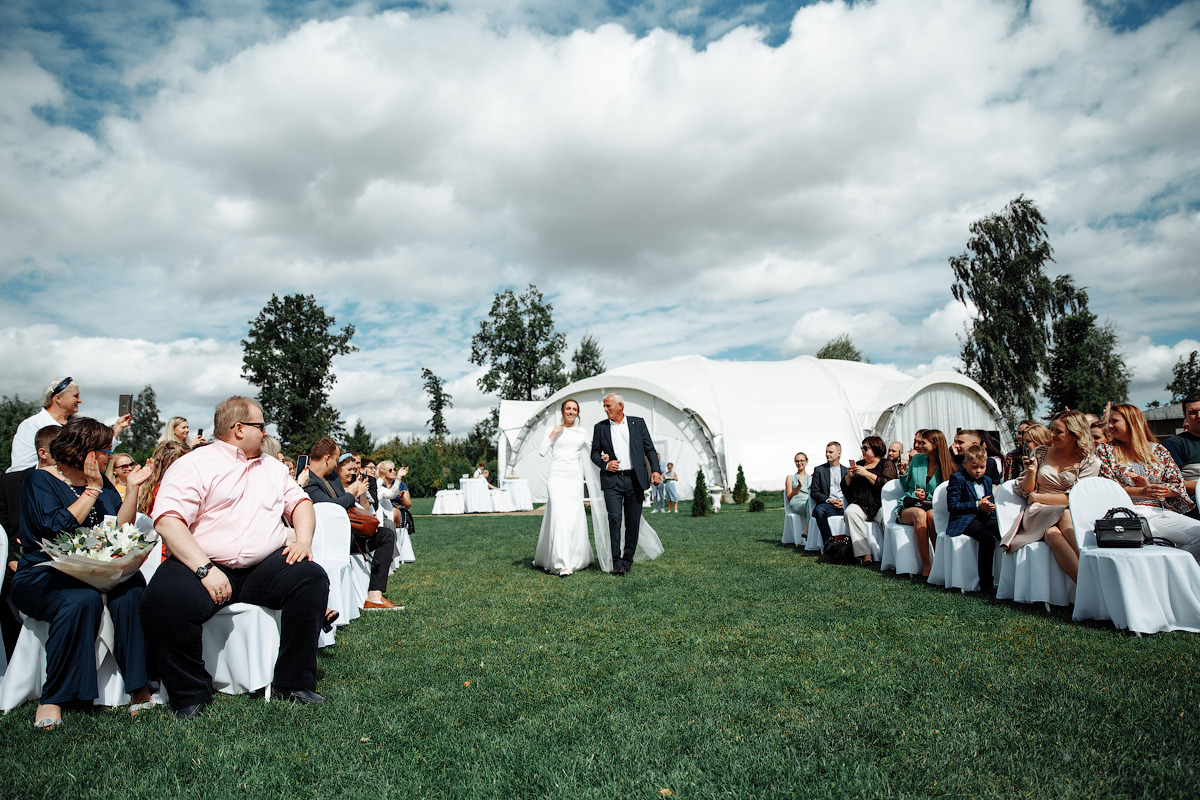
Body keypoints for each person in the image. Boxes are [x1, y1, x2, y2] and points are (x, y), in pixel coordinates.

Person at [140, 396, 330, 719]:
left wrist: (304, 540)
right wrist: (204, 568)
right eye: (261, 426)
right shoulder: (194, 465)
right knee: (162, 598)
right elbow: (168, 520)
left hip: (262, 567)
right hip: (201, 562)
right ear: (238, 429)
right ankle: (189, 694)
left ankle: (292, 682)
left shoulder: (273, 468)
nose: (266, 432)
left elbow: (301, 504)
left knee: (310, 578)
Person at [10, 417, 156, 728]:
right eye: (106, 449)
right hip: (42, 575)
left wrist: (131, 490)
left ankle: (140, 688)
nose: (111, 455)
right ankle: (55, 697)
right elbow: (55, 528)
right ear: (87, 454)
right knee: (81, 600)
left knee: (132, 593)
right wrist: (91, 490)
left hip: (99, 570)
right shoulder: (40, 481)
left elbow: (120, 529)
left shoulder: (103, 485)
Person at [1000, 411, 1099, 583]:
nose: (1052, 435)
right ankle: (1091, 582)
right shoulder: (1040, 452)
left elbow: (1076, 498)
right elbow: (1024, 491)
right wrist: (1031, 473)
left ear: (1075, 434)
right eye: (1051, 429)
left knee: (1053, 533)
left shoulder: (1090, 462)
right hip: (1037, 512)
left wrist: (1037, 497)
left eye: (1058, 431)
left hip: (1068, 510)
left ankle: (1085, 584)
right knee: (1064, 514)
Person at [304, 439, 399, 609]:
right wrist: (352, 493)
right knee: (385, 535)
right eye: (336, 459)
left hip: (350, 530)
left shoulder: (331, 476)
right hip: (332, 539)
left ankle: (375, 595)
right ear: (327, 458)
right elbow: (329, 506)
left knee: (386, 534)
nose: (336, 464)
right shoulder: (308, 482)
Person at [1098, 404, 1200, 559]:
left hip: (1159, 511)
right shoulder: (1104, 450)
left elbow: (1178, 484)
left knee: (1198, 535)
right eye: (1109, 421)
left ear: (1131, 422)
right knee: (1156, 548)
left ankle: (1175, 572)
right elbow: (1108, 487)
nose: (1110, 426)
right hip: (1126, 513)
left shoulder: (1158, 450)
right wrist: (1142, 491)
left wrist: (1156, 489)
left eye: (1115, 421)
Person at [590, 393, 662, 576]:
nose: (605, 409)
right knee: (614, 519)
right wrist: (606, 464)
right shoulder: (600, 427)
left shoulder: (638, 423)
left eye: (608, 406)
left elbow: (650, 449)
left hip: (635, 480)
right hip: (612, 481)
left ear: (620, 406)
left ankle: (627, 560)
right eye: (604, 406)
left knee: (633, 521)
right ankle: (616, 561)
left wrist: (655, 470)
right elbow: (594, 453)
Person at [8, 377, 131, 472]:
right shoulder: (32, 425)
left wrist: (118, 427)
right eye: (75, 396)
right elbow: (21, 467)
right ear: (58, 399)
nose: (80, 400)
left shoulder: (78, 425)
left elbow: (100, 453)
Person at [533, 399, 594, 576]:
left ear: (578, 413)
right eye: (568, 408)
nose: (571, 412)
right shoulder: (552, 430)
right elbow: (542, 451)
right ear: (562, 411)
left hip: (574, 477)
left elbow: (593, 451)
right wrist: (553, 433)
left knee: (573, 516)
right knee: (559, 516)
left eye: (574, 409)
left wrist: (605, 457)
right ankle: (561, 563)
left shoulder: (582, 432)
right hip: (557, 477)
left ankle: (576, 556)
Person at [897, 429, 955, 577]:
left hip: (932, 505)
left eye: (923, 443)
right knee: (920, 514)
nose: (919, 446)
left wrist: (927, 495)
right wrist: (903, 473)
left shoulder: (948, 466)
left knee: (932, 516)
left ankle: (939, 562)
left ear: (935, 445)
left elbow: (945, 493)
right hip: (910, 505)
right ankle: (927, 565)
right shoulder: (917, 459)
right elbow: (906, 486)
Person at [945, 444, 1001, 589]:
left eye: (982, 467)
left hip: (983, 517)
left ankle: (1005, 578)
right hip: (963, 519)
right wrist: (977, 505)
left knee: (1003, 532)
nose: (978, 471)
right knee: (987, 539)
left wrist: (990, 508)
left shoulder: (987, 480)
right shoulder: (957, 478)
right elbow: (953, 506)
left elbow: (990, 502)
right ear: (965, 464)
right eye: (975, 467)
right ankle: (986, 582)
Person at [843, 436, 898, 565]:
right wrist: (849, 477)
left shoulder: (886, 464)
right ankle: (864, 554)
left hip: (880, 505)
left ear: (875, 448)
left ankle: (892, 554)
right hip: (861, 505)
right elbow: (846, 489)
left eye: (866, 448)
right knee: (850, 512)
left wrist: (866, 473)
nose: (863, 450)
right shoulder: (859, 464)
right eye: (862, 447)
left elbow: (888, 484)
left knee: (887, 517)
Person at [1163, 392, 1200, 521]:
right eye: (1193, 412)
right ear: (1185, 415)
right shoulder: (1174, 444)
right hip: (1192, 503)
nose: (1199, 416)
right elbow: (1169, 484)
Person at [810, 443, 847, 543]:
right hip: (827, 504)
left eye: (830, 452)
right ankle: (829, 543)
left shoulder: (847, 471)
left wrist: (845, 502)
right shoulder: (819, 470)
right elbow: (814, 492)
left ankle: (848, 544)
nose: (827, 454)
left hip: (843, 504)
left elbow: (853, 492)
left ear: (839, 454)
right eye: (826, 452)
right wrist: (829, 500)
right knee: (819, 511)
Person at [785, 452, 811, 535]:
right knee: (811, 506)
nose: (799, 463)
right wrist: (798, 487)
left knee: (813, 505)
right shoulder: (790, 477)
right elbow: (789, 497)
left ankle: (809, 530)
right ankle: (808, 530)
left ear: (806, 461)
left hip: (808, 501)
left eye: (801, 460)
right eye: (797, 461)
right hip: (797, 502)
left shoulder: (811, 478)